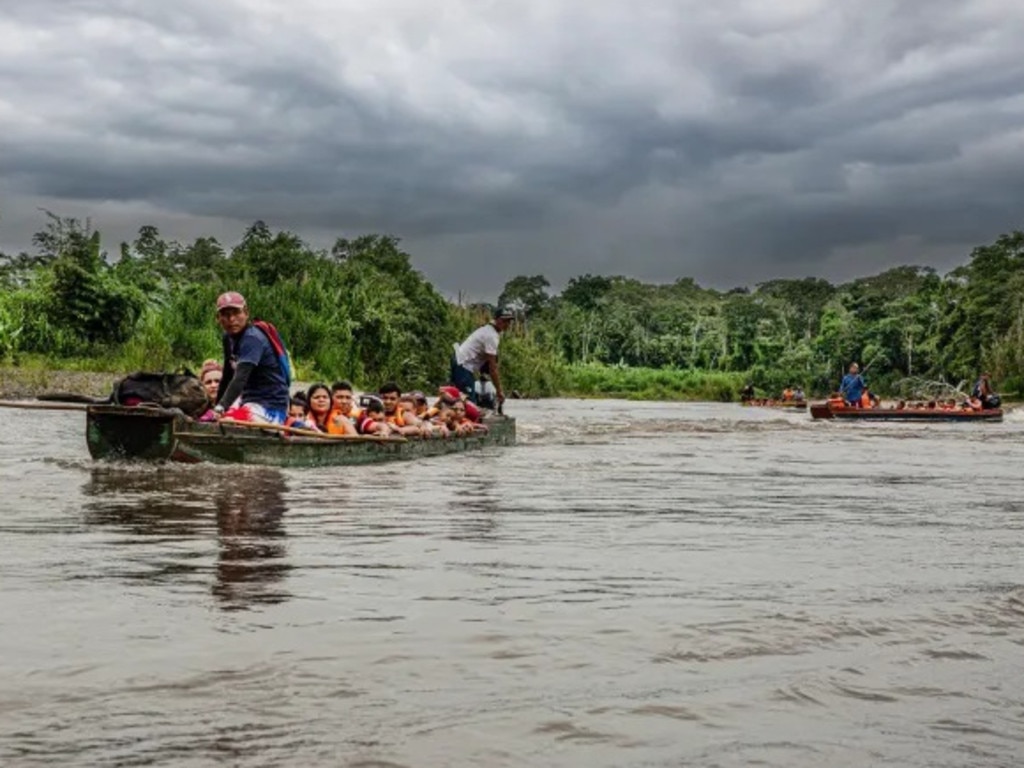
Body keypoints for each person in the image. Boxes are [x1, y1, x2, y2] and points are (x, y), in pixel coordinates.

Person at [211, 291, 290, 424]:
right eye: (226, 314)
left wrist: (221, 407)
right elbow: (228, 375)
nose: (231, 319)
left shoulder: (252, 338)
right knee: (217, 419)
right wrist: (216, 405)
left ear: (246, 313)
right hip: (249, 402)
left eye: (236, 313)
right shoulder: (227, 338)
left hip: (271, 406)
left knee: (228, 422)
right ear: (218, 318)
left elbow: (240, 378)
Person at [451, 307, 514, 406]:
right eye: (504, 321)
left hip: (459, 360)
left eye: (509, 321)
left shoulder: (489, 330)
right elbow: (493, 368)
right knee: (469, 404)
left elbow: (488, 361)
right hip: (462, 364)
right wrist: (499, 390)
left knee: (460, 398)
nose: (507, 324)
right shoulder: (491, 336)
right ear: (497, 320)